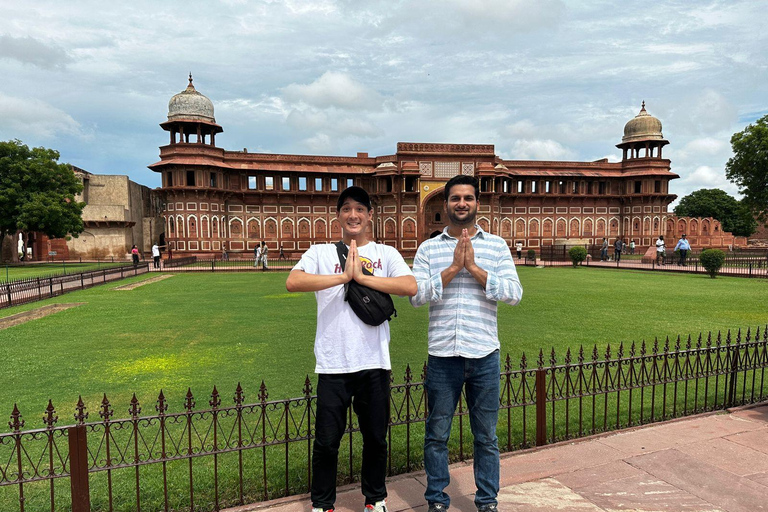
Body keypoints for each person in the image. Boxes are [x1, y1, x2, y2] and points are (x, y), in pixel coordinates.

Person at [286, 186, 417, 512]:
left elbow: (409, 286)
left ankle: (375, 499)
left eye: (360, 209)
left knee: (375, 438)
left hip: (373, 361)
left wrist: (363, 277)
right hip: (333, 364)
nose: (353, 215)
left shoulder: (386, 254)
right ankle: (322, 504)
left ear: (370, 214)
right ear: (339, 215)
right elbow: (293, 281)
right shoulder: (320, 252)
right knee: (328, 442)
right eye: (347, 209)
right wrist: (343, 277)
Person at [410, 175, 523, 512]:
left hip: (484, 353)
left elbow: (514, 294)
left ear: (477, 203)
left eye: (468, 198)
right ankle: (436, 500)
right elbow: (415, 296)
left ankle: (487, 500)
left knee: (486, 437)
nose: (462, 204)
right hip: (443, 355)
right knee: (436, 436)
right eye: (455, 198)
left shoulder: (497, 246)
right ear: (444, 204)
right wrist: (452, 269)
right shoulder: (429, 248)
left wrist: (472, 267)